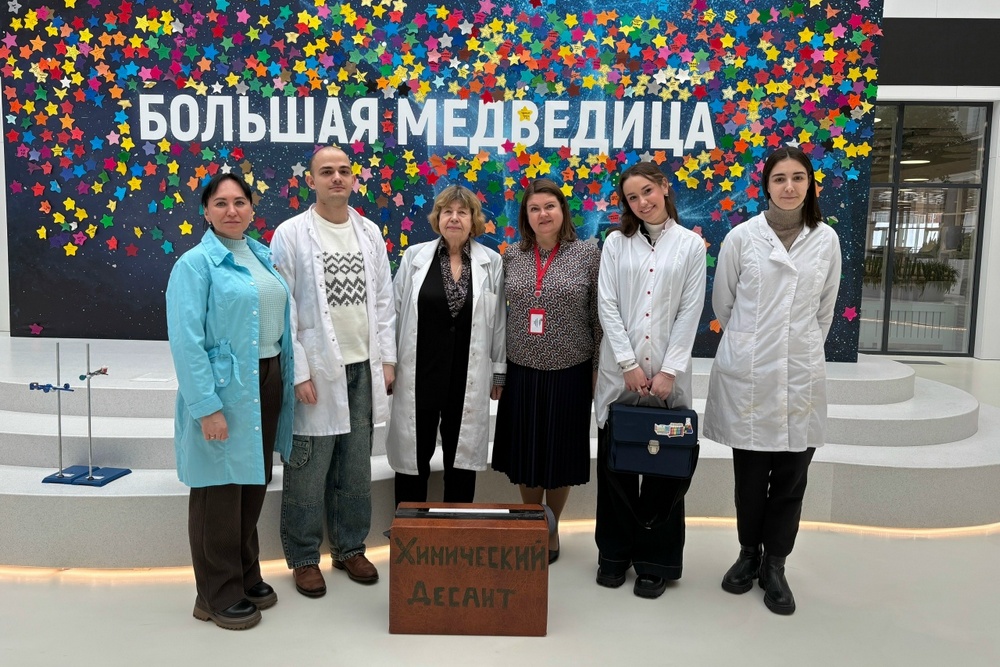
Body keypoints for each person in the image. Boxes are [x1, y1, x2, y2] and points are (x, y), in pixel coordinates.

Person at [706, 145, 842, 615]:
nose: (789, 187)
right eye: (779, 178)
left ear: (810, 184)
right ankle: (748, 554)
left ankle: (776, 564)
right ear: (765, 185)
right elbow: (724, 304)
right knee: (749, 479)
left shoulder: (826, 240)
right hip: (750, 375)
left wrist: (794, 347)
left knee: (790, 480)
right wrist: (754, 344)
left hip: (800, 373)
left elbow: (824, 310)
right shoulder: (742, 237)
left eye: (798, 178)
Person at [166, 173, 295, 630]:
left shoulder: (262, 256)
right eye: (220, 203)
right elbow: (186, 342)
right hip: (225, 387)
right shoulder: (194, 264)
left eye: (240, 201)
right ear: (205, 211)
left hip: (268, 378)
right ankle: (215, 594)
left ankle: (244, 573)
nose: (231, 210)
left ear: (252, 209)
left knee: (251, 482)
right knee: (218, 490)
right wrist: (206, 407)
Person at [269, 146, 397, 597]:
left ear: (354, 179)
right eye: (327, 172)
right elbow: (283, 308)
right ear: (311, 181)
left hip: (363, 366)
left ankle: (349, 548)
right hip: (319, 368)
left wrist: (387, 360)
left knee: (355, 465)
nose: (337, 178)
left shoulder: (370, 232)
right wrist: (299, 371)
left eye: (344, 171)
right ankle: (304, 557)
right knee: (308, 467)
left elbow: (383, 302)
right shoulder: (290, 234)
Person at [593, 162, 707, 599]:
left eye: (647, 191)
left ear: (664, 187)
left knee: (665, 470)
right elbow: (607, 304)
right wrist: (627, 363)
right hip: (621, 377)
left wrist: (669, 370)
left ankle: (656, 562)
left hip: (666, 382)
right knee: (616, 469)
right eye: (632, 197)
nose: (642, 202)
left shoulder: (690, 246)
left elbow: (690, 310)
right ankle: (614, 555)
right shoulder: (616, 244)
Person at [491, 178, 601, 563]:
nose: (543, 214)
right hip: (522, 371)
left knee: (560, 455)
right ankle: (531, 521)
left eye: (549, 206)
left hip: (571, 370)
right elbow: (499, 320)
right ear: (526, 215)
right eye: (534, 208)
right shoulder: (511, 256)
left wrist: (596, 371)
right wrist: (499, 373)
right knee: (526, 454)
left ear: (563, 211)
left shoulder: (587, 254)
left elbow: (598, 317)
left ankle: (551, 528)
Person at [386, 185, 506, 505]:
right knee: (414, 459)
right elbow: (394, 312)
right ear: (437, 218)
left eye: (462, 212)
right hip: (420, 375)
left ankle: (458, 527)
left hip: (465, 377)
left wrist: (498, 373)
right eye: (447, 212)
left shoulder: (491, 262)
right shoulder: (415, 257)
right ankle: (410, 528)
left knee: (460, 462)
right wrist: (389, 363)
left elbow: (498, 321)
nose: (454, 218)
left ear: (473, 220)